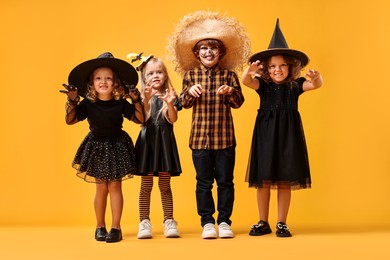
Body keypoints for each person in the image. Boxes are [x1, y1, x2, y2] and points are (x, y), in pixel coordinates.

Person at [167, 10, 250, 239]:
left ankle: (224, 221)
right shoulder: (190, 75)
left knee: (225, 182)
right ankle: (207, 222)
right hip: (200, 139)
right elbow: (182, 103)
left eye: (213, 48)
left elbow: (239, 103)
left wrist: (231, 92)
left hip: (225, 139)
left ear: (220, 52)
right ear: (197, 53)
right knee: (203, 182)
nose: (208, 52)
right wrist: (190, 93)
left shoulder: (230, 75)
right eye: (203, 48)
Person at [241, 19, 323, 237]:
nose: (278, 70)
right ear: (267, 69)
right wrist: (249, 71)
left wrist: (317, 78)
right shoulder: (264, 86)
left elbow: (315, 85)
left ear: (291, 67)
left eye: (282, 65)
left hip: (288, 136)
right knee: (263, 180)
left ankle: (281, 222)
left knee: (285, 178)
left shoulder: (295, 86)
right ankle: (262, 221)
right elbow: (246, 82)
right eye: (273, 66)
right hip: (266, 136)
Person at [61, 52, 144, 243]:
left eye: (108, 78)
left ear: (115, 83)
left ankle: (116, 227)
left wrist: (136, 100)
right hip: (96, 146)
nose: (103, 81)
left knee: (115, 186)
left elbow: (140, 119)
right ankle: (100, 226)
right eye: (98, 78)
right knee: (101, 188)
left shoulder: (120, 102)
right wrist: (72, 100)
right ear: (91, 83)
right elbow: (70, 120)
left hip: (117, 145)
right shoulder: (89, 103)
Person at [126, 53, 182, 239]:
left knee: (165, 185)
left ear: (165, 75)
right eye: (150, 73)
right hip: (147, 143)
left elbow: (172, 119)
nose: (155, 76)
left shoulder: (170, 95)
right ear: (144, 77)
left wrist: (170, 104)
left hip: (164, 142)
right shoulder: (141, 97)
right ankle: (144, 221)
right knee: (146, 185)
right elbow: (142, 120)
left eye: (159, 72)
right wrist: (147, 100)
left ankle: (169, 220)